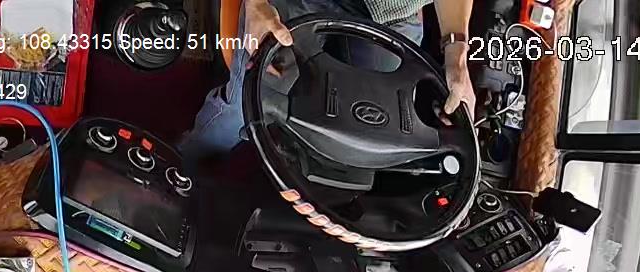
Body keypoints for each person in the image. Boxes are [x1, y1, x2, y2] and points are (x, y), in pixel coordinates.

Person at [181, 0, 478, 163]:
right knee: (248, 100)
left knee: (368, 140)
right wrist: (256, 4)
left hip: (394, 12)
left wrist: (456, 51)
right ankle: (185, 161)